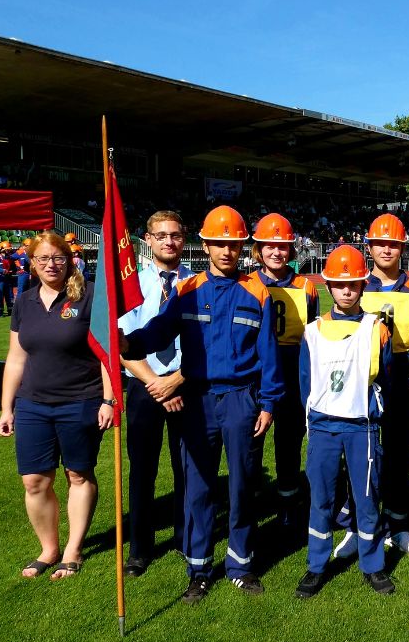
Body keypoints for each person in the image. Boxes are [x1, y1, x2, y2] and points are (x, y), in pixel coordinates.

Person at [121, 205, 283, 604]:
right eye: (219, 244)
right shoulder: (188, 289)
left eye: (234, 244)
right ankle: (199, 568)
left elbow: (269, 354)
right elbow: (161, 330)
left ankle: (241, 564)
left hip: (242, 399)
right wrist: (132, 344)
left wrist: (269, 404)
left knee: (243, 483)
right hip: (197, 400)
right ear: (206, 245)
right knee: (198, 486)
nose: (227, 251)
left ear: (242, 246)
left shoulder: (257, 291)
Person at [0, 231, 115, 579]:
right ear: (32, 264)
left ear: (70, 260)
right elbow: (16, 358)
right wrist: (7, 408)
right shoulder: (24, 301)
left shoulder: (90, 296)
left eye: (58, 258)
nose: (51, 265)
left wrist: (108, 399)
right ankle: (48, 549)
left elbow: (106, 353)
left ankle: (73, 550)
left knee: (78, 474)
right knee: (34, 480)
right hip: (33, 403)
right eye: (43, 259)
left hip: (81, 401)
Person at [295, 245, 396, 598]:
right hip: (323, 426)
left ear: (363, 285)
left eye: (353, 283)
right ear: (328, 286)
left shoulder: (376, 328)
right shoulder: (312, 331)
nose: (347, 290)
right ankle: (316, 565)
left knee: (367, 498)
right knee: (321, 498)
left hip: (361, 426)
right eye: (340, 284)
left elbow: (387, 377)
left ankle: (373, 565)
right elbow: (305, 383)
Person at [117, 211, 192, 577]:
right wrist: (158, 386)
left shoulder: (196, 284)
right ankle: (140, 548)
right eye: (160, 235)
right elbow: (125, 345)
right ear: (147, 239)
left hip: (186, 383)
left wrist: (177, 380)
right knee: (142, 470)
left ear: (184, 239)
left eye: (175, 235)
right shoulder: (132, 285)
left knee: (187, 468)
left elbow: (206, 342)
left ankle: (185, 538)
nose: (168, 242)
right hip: (147, 386)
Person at [359, 213, 409, 555]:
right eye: (380, 243)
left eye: (393, 244)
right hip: (365, 386)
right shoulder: (357, 284)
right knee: (366, 455)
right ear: (369, 246)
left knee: (400, 455)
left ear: (402, 247)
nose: (386, 249)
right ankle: (364, 525)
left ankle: (399, 525)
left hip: (404, 384)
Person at [244, 213, 319, 526]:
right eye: (270, 246)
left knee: (289, 445)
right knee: (251, 444)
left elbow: (313, 337)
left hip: (292, 379)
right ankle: (251, 503)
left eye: (283, 247)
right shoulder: (245, 284)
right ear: (258, 249)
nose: (277, 252)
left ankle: (289, 501)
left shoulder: (306, 287)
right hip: (254, 379)